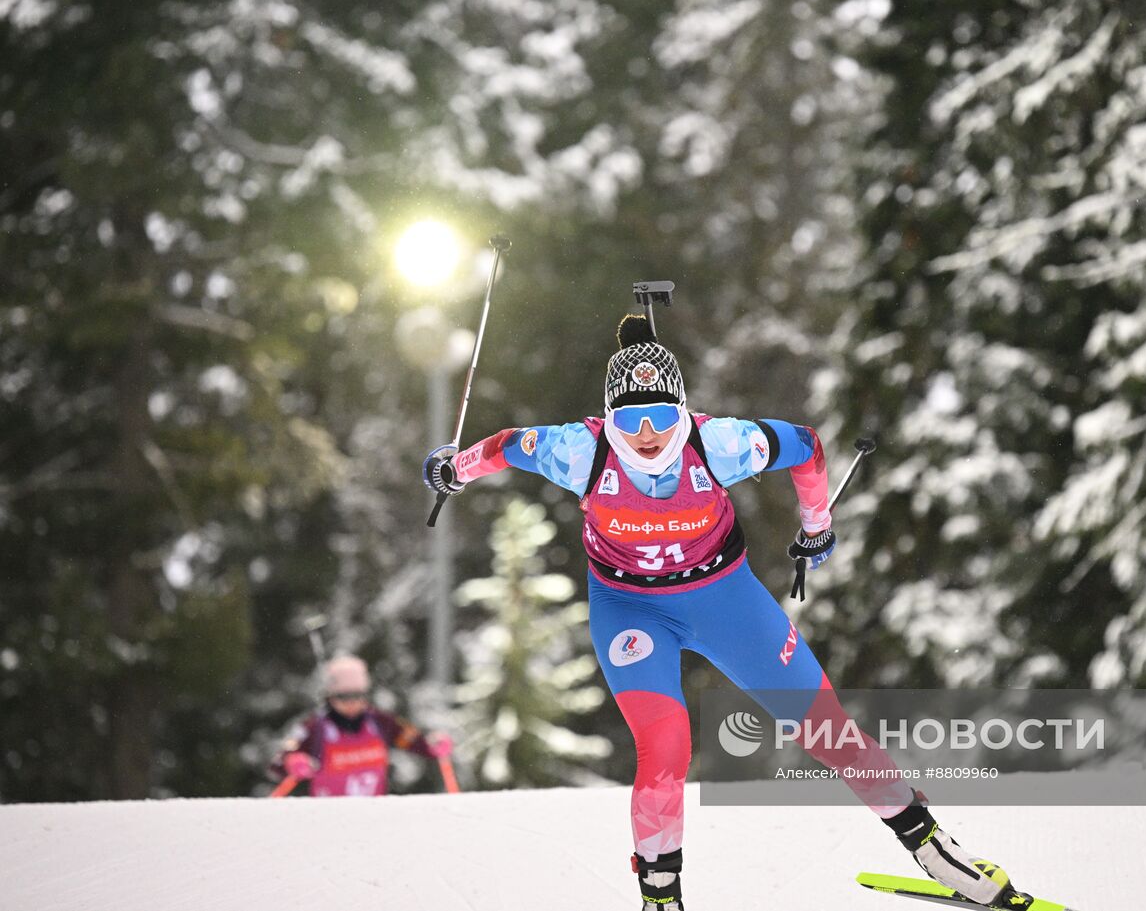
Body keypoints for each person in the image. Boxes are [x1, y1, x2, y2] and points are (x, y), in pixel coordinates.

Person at [423, 315, 1019, 909]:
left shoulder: (721, 443)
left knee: (826, 729)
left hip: (723, 598)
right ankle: (661, 899)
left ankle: (935, 851)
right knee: (665, 750)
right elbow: (503, 447)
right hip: (629, 607)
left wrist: (817, 527)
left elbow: (807, 446)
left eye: (662, 416)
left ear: (684, 410)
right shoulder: (579, 451)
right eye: (632, 420)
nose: (650, 433)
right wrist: (455, 468)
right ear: (609, 418)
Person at [273, 654, 453, 797]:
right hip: (326, 817)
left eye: (357, 696)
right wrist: (292, 761)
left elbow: (411, 740)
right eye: (343, 697)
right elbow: (280, 761)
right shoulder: (315, 727)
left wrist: (432, 745)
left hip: (371, 816)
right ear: (330, 697)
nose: (351, 703)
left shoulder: (380, 722)